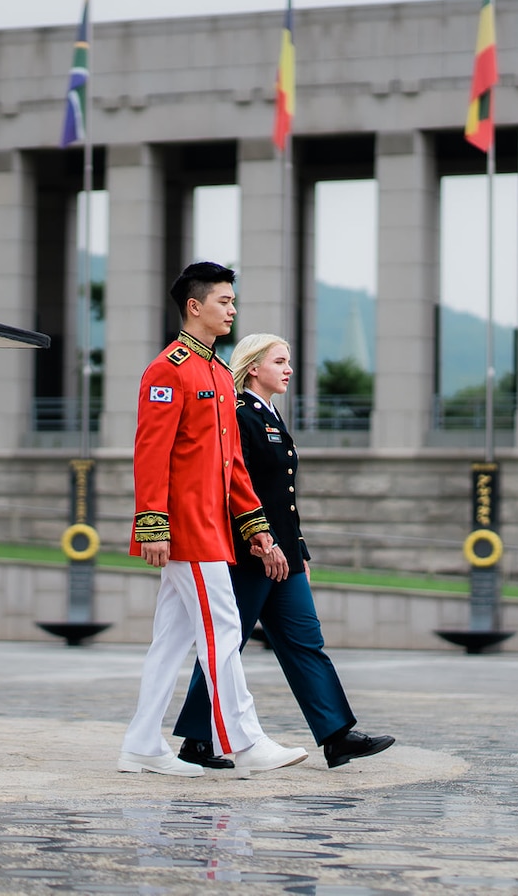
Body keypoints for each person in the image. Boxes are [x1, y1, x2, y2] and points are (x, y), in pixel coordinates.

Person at [172, 334, 396, 770]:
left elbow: (283, 497)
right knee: (227, 643)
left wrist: (299, 550)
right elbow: (236, 490)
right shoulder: (239, 415)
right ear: (254, 367)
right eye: (280, 361)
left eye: (289, 361)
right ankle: (197, 740)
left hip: (284, 555)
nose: (288, 369)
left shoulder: (270, 416)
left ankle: (337, 736)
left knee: (305, 641)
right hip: (250, 552)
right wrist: (264, 541)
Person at [118, 262, 307, 778]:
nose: (232, 309)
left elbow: (233, 465)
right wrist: (153, 524)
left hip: (213, 527)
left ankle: (140, 743)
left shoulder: (219, 374)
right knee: (223, 627)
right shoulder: (168, 369)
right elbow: (150, 453)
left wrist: (255, 524)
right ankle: (245, 743)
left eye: (233, 300)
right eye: (224, 301)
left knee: (172, 639)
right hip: (185, 529)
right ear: (194, 306)